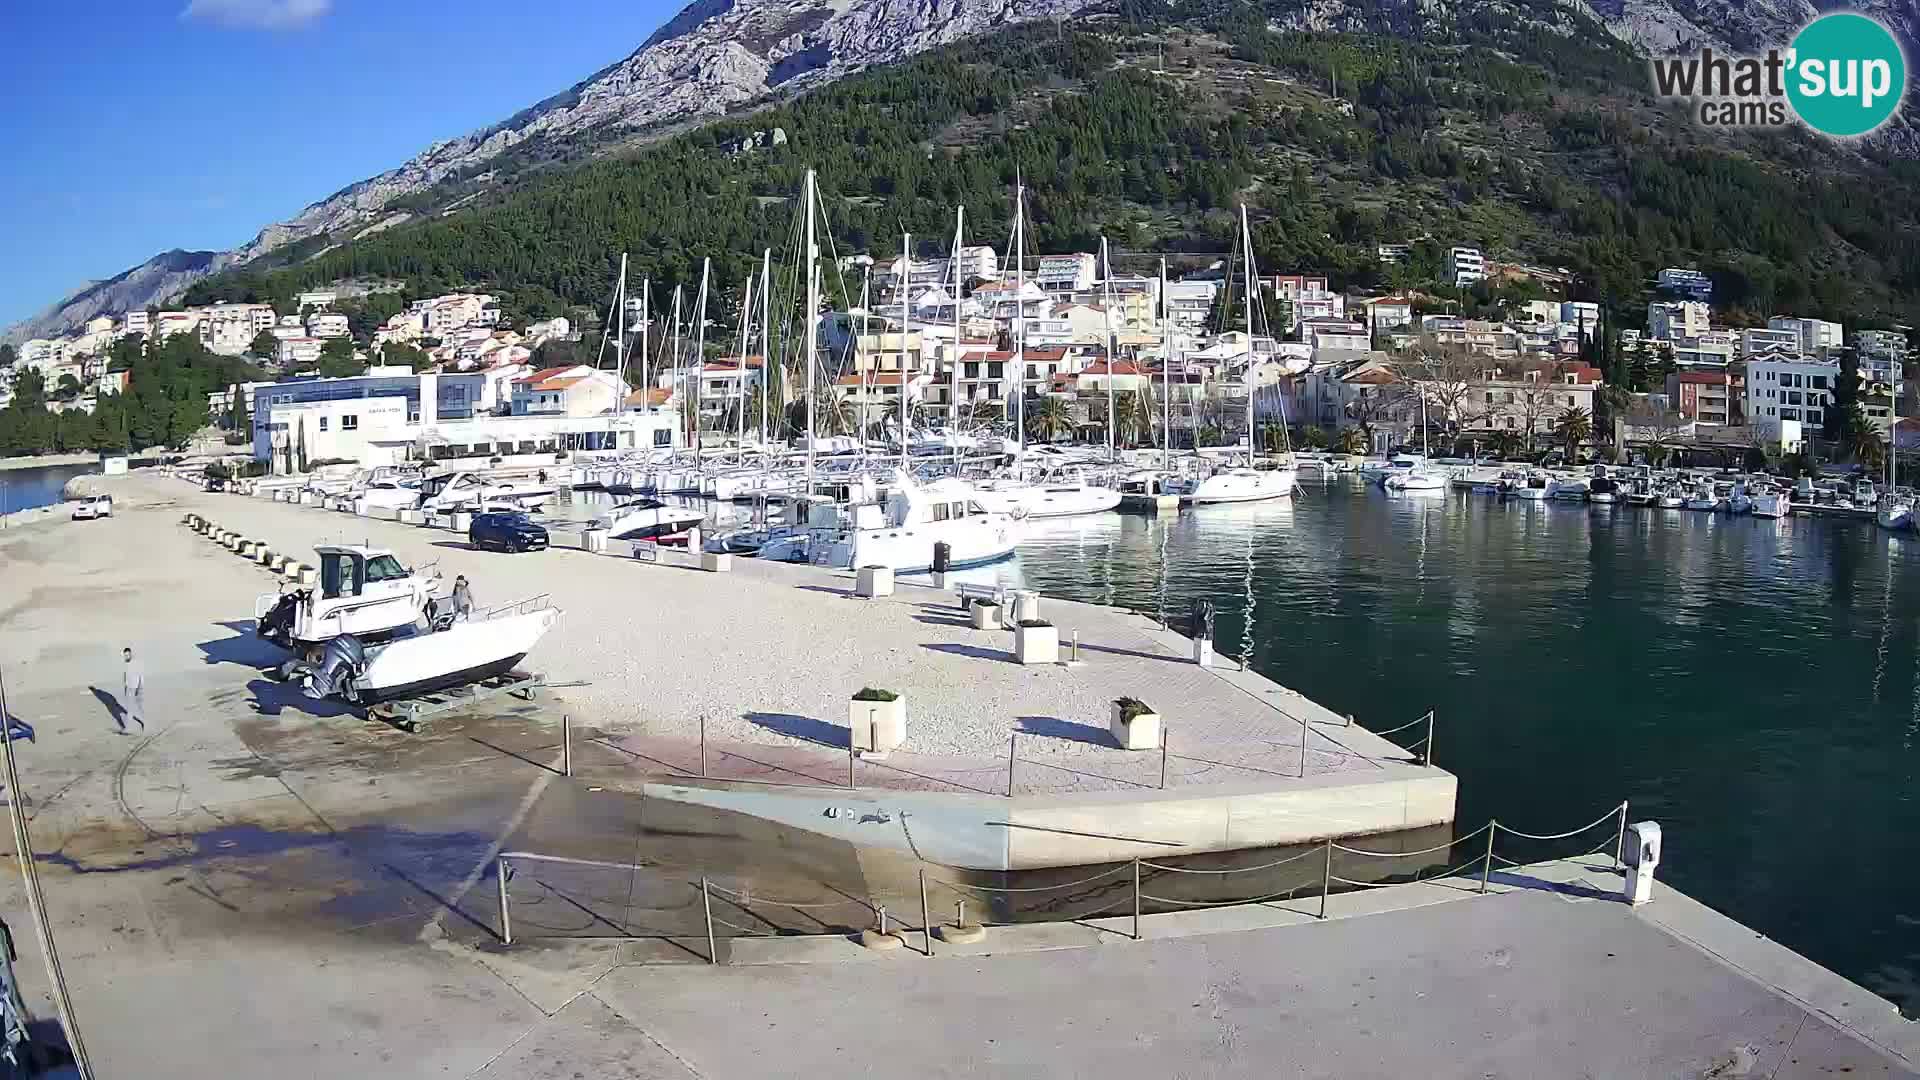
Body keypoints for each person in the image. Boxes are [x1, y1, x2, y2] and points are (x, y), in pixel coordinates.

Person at [119, 647, 146, 733]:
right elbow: (125, 676)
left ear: (130, 654)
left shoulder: (136, 663)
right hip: (129, 688)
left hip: (137, 688)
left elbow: (141, 675)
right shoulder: (125, 664)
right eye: (125, 655)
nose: (126, 656)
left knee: (140, 706)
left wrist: (140, 688)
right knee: (129, 708)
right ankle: (128, 728)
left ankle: (145, 723)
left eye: (127, 655)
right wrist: (125, 687)